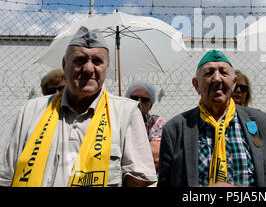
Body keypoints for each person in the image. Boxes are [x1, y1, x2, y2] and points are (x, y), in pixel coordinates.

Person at [0, 26, 157, 187]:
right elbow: (5, 177)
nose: (88, 69)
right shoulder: (30, 112)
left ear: (107, 67)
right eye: (80, 60)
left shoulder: (126, 113)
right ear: (64, 63)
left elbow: (141, 182)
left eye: (97, 61)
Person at [158, 49, 266, 187]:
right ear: (196, 85)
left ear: (233, 84)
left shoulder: (262, 124)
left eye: (224, 72)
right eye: (209, 73)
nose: (217, 79)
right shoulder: (175, 130)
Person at [125, 81, 166, 173]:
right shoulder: (119, 120)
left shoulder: (156, 121)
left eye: (144, 99)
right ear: (127, 100)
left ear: (150, 106)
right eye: (134, 98)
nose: (138, 102)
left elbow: (156, 153)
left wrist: (126, 155)